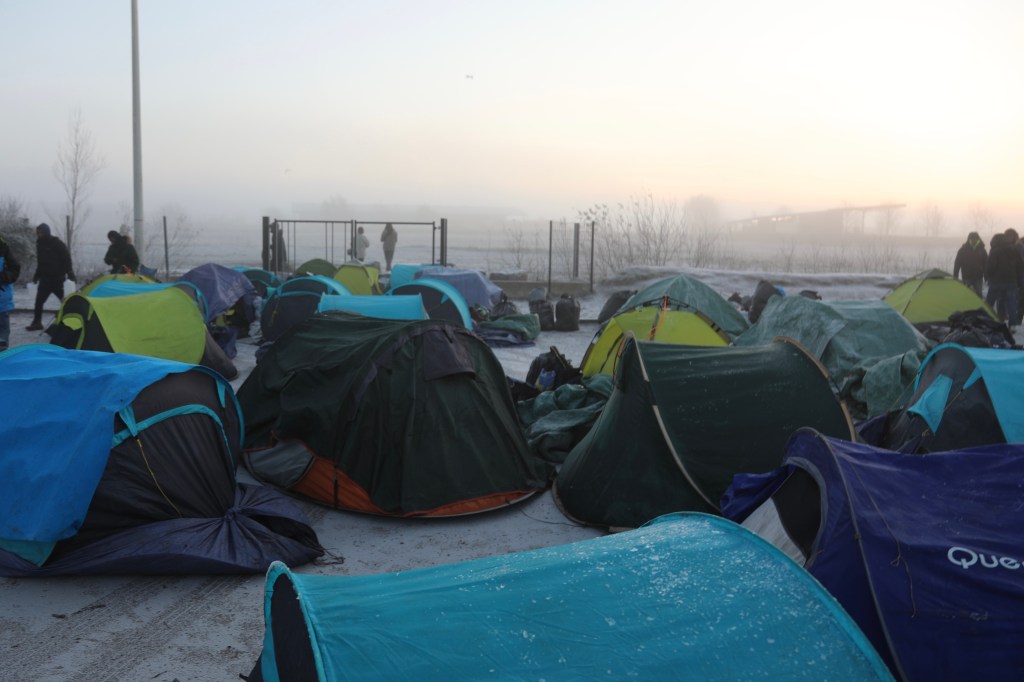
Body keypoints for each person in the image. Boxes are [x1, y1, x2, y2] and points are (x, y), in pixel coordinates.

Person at [27, 222, 75, 331]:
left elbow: (66, 258)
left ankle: (72, 322)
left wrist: (70, 272)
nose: (39, 234)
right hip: (45, 279)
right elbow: (40, 262)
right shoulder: (39, 244)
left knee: (66, 302)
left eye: (41, 232)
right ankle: (37, 322)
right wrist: (37, 275)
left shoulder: (57, 243)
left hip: (58, 279)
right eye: (38, 232)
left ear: (46, 232)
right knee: (39, 302)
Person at [984, 232, 1020, 330]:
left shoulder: (995, 251)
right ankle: (1012, 325)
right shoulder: (1014, 250)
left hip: (996, 282)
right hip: (1011, 282)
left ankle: (985, 321)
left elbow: (991, 266)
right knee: (1011, 304)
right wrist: (1019, 280)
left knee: (989, 303)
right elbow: (1020, 266)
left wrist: (986, 275)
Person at [0, 232, 22, 349]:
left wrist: (2, 277)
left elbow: (15, 269)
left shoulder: (3, 248)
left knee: (2, 342)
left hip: (1, 303)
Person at [952, 231, 987, 297]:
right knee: (965, 294)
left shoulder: (982, 250)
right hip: (966, 276)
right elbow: (957, 263)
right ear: (969, 239)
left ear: (978, 239)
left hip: (978, 277)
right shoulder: (963, 250)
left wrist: (986, 275)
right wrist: (955, 275)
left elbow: (986, 263)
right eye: (972, 238)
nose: (973, 240)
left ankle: (979, 307)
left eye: (975, 238)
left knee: (979, 295)